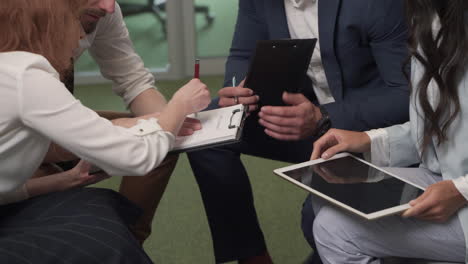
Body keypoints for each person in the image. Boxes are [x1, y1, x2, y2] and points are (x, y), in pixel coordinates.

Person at [187, 0, 410, 263]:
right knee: (206, 131)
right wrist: (237, 90)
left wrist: (323, 117)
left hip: (370, 132)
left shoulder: (375, 4)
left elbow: (405, 95)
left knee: (316, 221)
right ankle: (252, 257)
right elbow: (243, 55)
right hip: (302, 118)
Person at [0, 0, 211, 262]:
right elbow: (135, 155)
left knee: (161, 139)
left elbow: (134, 80)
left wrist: (55, 182)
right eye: (74, 25)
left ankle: (130, 238)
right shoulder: (27, 77)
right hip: (36, 119)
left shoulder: (20, 69)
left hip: (36, 123)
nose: (82, 39)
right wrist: (178, 108)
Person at [305, 0, 468, 262]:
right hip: (443, 178)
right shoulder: (429, 20)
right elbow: (444, 132)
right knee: (329, 195)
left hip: (459, 189)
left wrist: (461, 190)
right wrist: (369, 140)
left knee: (333, 229)